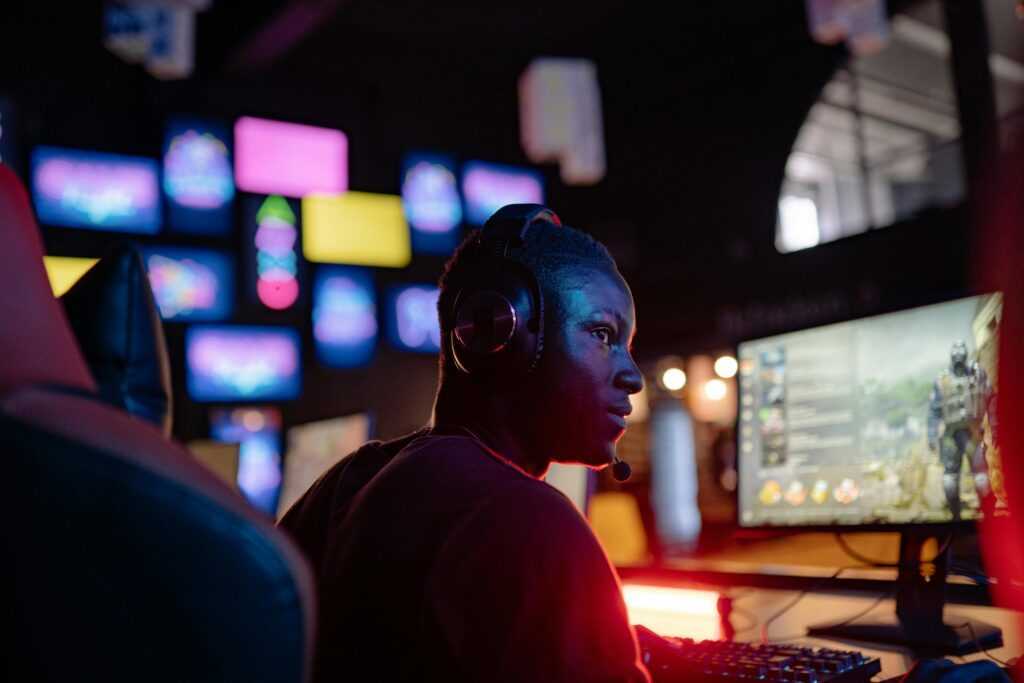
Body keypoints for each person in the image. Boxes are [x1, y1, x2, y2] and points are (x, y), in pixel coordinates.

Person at [280, 204, 650, 682]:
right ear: (501, 332)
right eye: (603, 334)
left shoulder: (346, 484)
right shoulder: (528, 520)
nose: (633, 376)